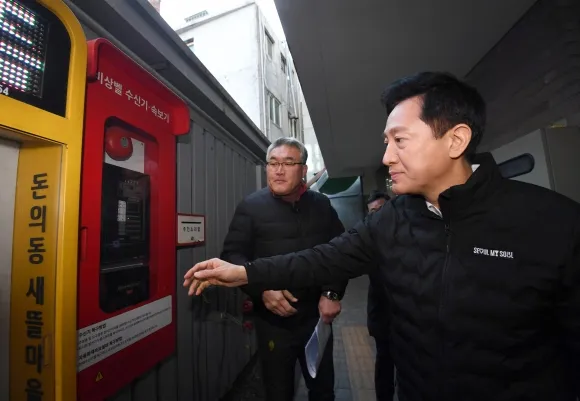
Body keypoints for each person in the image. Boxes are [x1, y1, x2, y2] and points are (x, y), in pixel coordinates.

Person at [184, 72, 580, 401]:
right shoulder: (392, 218)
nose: (387, 157)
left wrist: (328, 295)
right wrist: (246, 275)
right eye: (386, 142)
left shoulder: (553, 224)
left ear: (456, 140)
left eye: (400, 140)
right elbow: (325, 258)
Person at [221, 136, 348, 401]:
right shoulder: (251, 207)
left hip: (316, 317)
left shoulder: (321, 205)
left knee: (323, 389)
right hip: (273, 321)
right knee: (278, 392)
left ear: (303, 170)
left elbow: (341, 253)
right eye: (273, 163)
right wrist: (261, 290)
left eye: (288, 163)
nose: (278, 170)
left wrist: (332, 293)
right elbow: (232, 256)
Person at [365, 190, 395, 401]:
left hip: (412, 320)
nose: (377, 215)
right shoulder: (369, 240)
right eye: (372, 212)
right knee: (384, 363)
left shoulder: (409, 233)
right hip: (383, 319)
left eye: (381, 209)